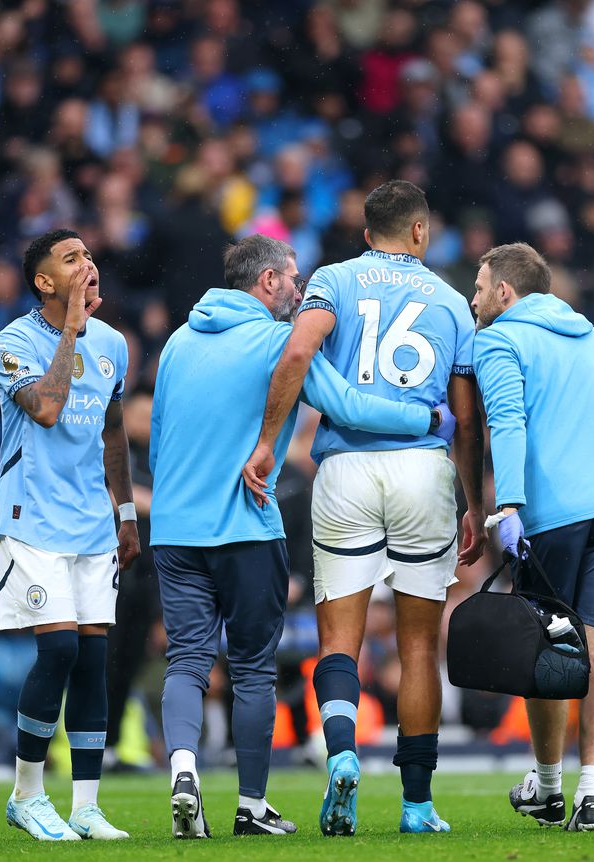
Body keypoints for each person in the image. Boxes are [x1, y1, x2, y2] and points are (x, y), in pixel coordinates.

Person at [150, 234, 454, 839]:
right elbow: (344, 403)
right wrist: (425, 416)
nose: (300, 288)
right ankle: (250, 805)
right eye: (292, 278)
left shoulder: (178, 343)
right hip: (244, 525)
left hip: (176, 529)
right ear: (266, 282)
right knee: (253, 670)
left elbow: (158, 440)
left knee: (185, 661)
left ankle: (183, 768)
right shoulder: (276, 340)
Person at [242, 180, 486, 836]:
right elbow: (465, 420)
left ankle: (343, 753)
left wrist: (269, 442)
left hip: (345, 467)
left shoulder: (335, 279)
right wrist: (473, 500)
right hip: (422, 472)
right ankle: (416, 804)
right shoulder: (451, 301)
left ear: (365, 230)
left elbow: (297, 352)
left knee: (338, 642)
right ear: (419, 232)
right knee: (415, 646)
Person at [471, 242, 594, 831]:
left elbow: (507, 422)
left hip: (553, 512)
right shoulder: (591, 335)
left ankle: (547, 787)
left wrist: (508, 503)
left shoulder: (498, 339)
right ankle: (592, 793)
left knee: (547, 651)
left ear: (506, 294)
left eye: (480, 285)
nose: (474, 296)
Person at [0, 229, 140, 841]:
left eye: (89, 255)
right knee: (58, 651)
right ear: (43, 281)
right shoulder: (14, 341)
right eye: (71, 258)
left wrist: (126, 513)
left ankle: (85, 806)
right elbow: (47, 410)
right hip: (31, 519)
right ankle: (26, 794)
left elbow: (112, 432)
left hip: (91, 523)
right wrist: (72, 329)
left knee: (94, 660)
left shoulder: (113, 344)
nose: (88, 264)